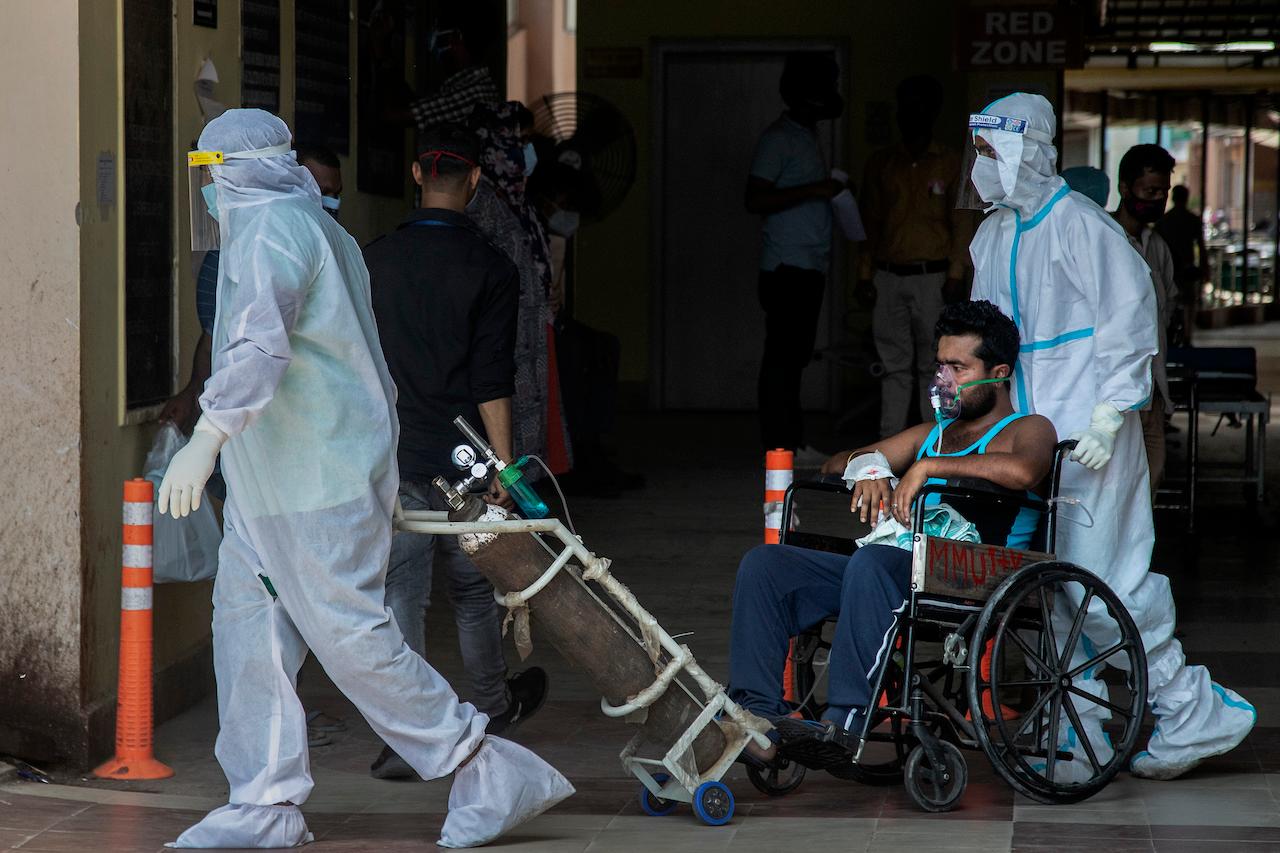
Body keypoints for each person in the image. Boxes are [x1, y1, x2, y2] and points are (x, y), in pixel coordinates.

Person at [158, 109, 572, 848]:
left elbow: (260, 345)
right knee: (248, 631)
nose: (208, 192)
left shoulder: (274, 231)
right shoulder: (315, 226)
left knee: (352, 638)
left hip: (317, 480)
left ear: (230, 171)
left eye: (209, 174)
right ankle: (264, 800)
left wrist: (207, 438)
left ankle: (482, 764)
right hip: (278, 484)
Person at [965, 93, 1254, 781]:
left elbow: (1130, 319)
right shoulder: (995, 235)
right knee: (1053, 582)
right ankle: (1079, 717)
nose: (984, 169)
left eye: (992, 153)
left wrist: (1110, 413)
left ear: (1028, 149)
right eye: (977, 154)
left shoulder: (1082, 227)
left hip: (1091, 437)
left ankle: (1192, 709)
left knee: (1104, 581)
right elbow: (984, 336)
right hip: (1028, 441)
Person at [735, 301, 1056, 754]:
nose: (944, 379)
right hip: (900, 568)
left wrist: (926, 468)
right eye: (940, 364)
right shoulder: (932, 431)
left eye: (959, 368)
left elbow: (1026, 472)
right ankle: (755, 716)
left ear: (999, 372)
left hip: (977, 572)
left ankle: (844, 721)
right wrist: (869, 468)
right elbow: (837, 460)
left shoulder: (1028, 428)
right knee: (766, 566)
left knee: (873, 564)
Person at [364, 124, 548, 780]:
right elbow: (491, 378)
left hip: (393, 450)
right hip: (464, 455)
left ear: (418, 175)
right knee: (473, 587)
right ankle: (491, 705)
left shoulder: (374, 259)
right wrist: (504, 465)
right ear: (474, 182)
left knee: (401, 589)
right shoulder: (490, 268)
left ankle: (408, 730)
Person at [159, 143, 344, 441]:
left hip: (300, 428)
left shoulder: (288, 247)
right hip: (250, 430)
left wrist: (209, 435)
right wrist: (194, 394)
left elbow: (260, 346)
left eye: (333, 195)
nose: (327, 203)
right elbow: (216, 337)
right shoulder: (230, 254)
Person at [745, 51, 845, 457]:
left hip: (806, 266)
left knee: (793, 359)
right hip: (787, 269)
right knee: (782, 362)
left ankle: (791, 442)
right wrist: (816, 190)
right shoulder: (778, 139)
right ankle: (780, 446)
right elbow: (754, 198)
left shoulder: (806, 136)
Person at [859, 75, 969, 439]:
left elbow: (961, 221)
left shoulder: (951, 163)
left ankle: (934, 446)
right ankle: (888, 448)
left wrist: (956, 273)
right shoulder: (882, 164)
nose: (910, 113)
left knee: (934, 366)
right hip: (888, 275)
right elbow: (869, 225)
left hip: (934, 277)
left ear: (933, 111)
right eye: (905, 106)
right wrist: (864, 275)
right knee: (892, 366)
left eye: (919, 105)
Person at [465, 101, 571, 471]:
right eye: (519, 139)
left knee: (535, 430)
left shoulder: (518, 202)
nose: (526, 150)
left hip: (533, 329)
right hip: (508, 334)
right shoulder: (481, 204)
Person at [1113, 144, 1179, 497]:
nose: (1157, 200)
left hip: (1151, 388)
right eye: (1149, 191)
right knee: (1117, 486)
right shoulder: (1104, 239)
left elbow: (1164, 313)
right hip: (1115, 390)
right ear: (1125, 189)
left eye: (1163, 192)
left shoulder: (1158, 246)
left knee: (1152, 476)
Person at [1156, 184, 1210, 344]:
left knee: (1168, 301)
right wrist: (1205, 269)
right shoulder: (1192, 220)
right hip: (1188, 269)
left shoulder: (1164, 220)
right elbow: (1201, 246)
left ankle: (1168, 331)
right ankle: (1187, 335)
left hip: (1169, 268)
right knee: (1189, 302)